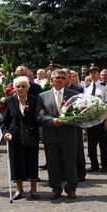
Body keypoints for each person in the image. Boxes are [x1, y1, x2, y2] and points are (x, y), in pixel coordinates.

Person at [36, 69, 79, 199]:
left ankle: (71, 188)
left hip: (69, 134)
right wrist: (51, 120)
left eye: (62, 78)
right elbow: (38, 115)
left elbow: (80, 114)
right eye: (57, 78)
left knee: (70, 162)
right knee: (53, 163)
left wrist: (67, 119)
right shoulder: (42, 96)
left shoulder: (74, 94)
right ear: (51, 80)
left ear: (66, 80)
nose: (59, 80)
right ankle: (56, 188)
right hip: (51, 134)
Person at [0, 76, 40, 200]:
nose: (20, 88)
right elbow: (4, 121)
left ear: (28, 88)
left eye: (23, 86)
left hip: (31, 135)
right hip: (14, 136)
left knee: (32, 162)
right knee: (16, 163)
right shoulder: (9, 101)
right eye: (18, 86)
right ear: (14, 88)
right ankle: (19, 189)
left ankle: (34, 190)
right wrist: (5, 132)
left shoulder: (34, 100)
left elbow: (38, 118)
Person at [84, 64, 107, 173]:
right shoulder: (87, 87)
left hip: (101, 118)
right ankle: (94, 164)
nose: (92, 74)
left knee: (103, 144)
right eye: (91, 73)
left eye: (94, 73)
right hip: (91, 118)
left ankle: (104, 165)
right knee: (91, 144)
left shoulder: (104, 86)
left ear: (99, 74)